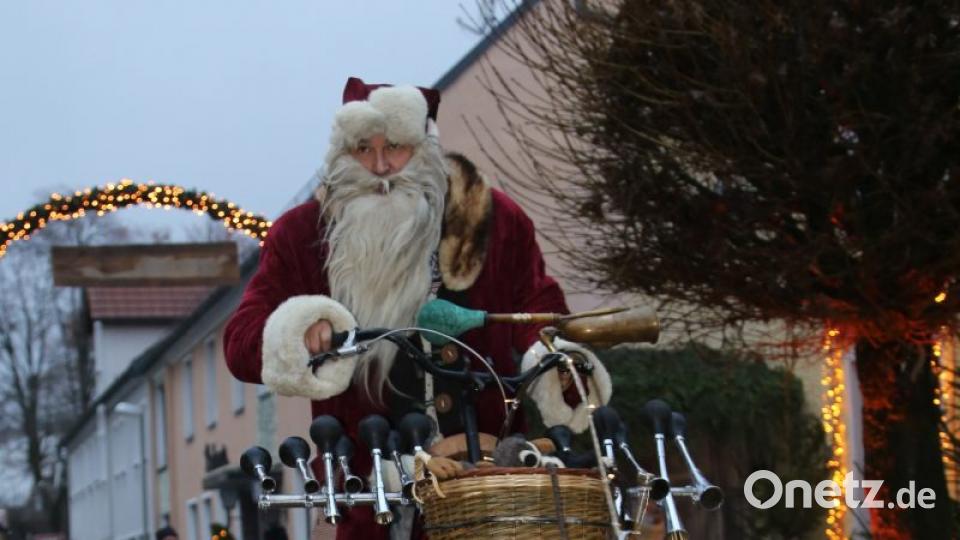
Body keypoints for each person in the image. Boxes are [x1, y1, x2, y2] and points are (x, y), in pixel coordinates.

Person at [224, 77, 610, 539]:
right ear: (342, 154)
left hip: (489, 486)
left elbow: (539, 311)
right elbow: (241, 343)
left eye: (396, 147)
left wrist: (555, 361)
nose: (381, 167)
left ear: (425, 148)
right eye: (363, 149)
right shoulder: (303, 236)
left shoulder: (492, 221)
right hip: (371, 492)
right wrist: (297, 331)